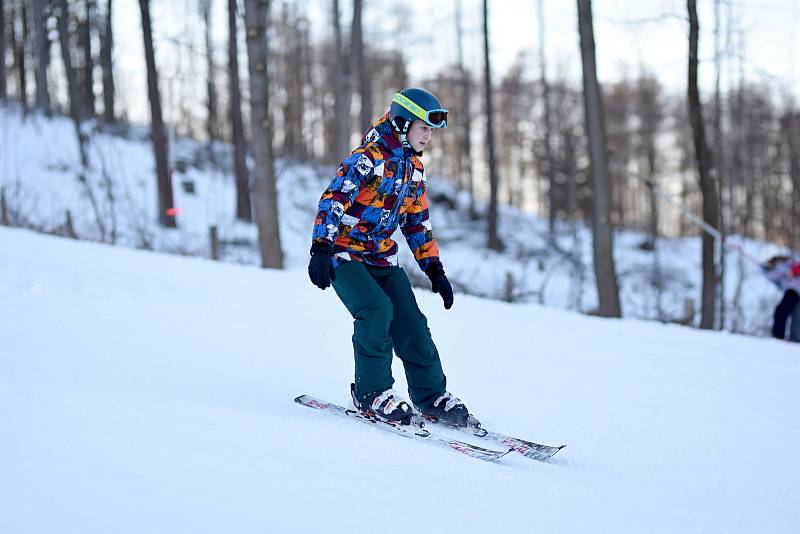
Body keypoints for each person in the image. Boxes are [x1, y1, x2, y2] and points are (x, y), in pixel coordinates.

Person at [308, 88, 471, 427]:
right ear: (401, 123)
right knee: (375, 310)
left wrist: (434, 269)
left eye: (431, 129)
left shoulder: (414, 169)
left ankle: (430, 395)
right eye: (422, 127)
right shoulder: (368, 158)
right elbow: (333, 199)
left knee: (410, 321)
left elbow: (417, 223)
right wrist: (321, 248)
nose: (428, 135)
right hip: (342, 253)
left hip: (381, 256)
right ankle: (372, 393)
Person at [762, 254, 800, 342]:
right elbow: (773, 277)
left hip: (794, 290)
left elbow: (778, 274)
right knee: (795, 316)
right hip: (792, 291)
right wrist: (764, 270)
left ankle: (779, 336)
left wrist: (793, 271)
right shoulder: (777, 269)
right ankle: (794, 339)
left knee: (781, 311)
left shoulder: (786, 264)